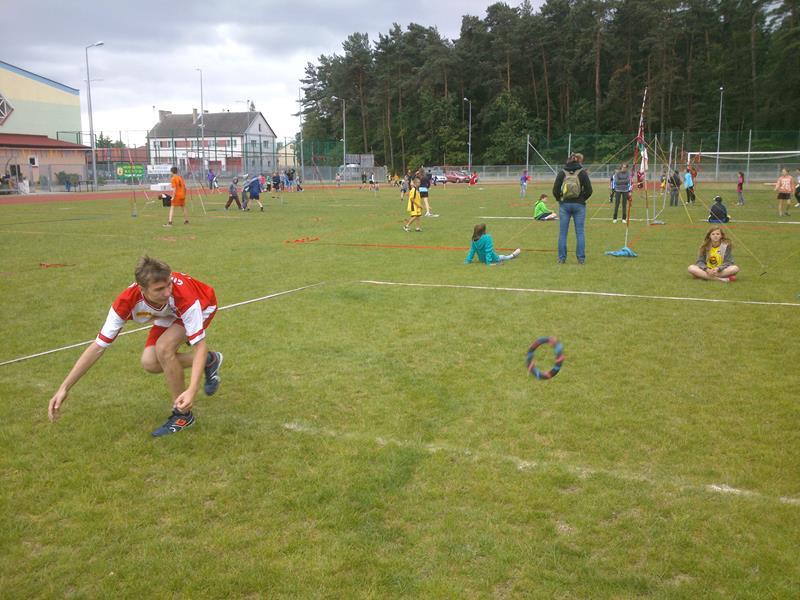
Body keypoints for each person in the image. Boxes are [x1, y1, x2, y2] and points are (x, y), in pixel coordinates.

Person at [47, 256, 224, 436]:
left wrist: (192, 390)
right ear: (142, 289)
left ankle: (182, 415)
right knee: (150, 362)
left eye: (169, 285)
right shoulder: (126, 302)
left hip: (203, 305)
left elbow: (200, 346)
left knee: (164, 348)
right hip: (168, 314)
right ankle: (210, 360)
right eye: (159, 289)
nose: (167, 292)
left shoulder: (183, 296)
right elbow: (98, 347)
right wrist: (64, 388)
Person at [552, 152, 593, 264]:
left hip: (564, 204)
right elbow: (589, 190)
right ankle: (581, 259)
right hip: (579, 205)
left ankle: (562, 258)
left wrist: (559, 199)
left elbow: (555, 190)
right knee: (580, 232)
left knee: (563, 233)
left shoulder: (562, 172)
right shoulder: (582, 173)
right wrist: (582, 198)